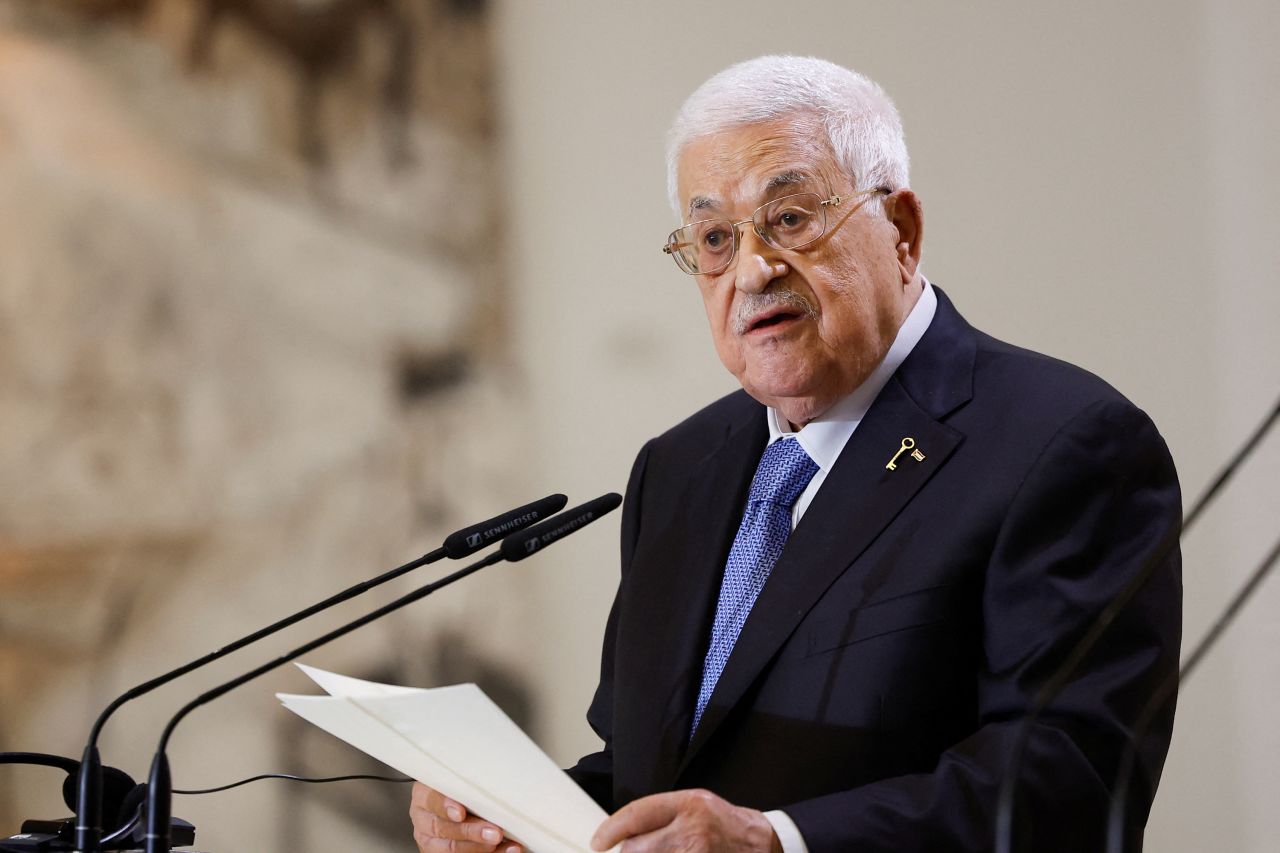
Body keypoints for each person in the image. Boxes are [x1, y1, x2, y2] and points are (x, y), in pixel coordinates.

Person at [409, 55, 1181, 853]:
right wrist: (513, 815)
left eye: (791, 219)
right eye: (714, 238)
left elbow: (1072, 783)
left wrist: (778, 842)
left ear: (902, 232)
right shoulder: (678, 467)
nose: (751, 270)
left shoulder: (1064, 442)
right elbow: (655, 776)